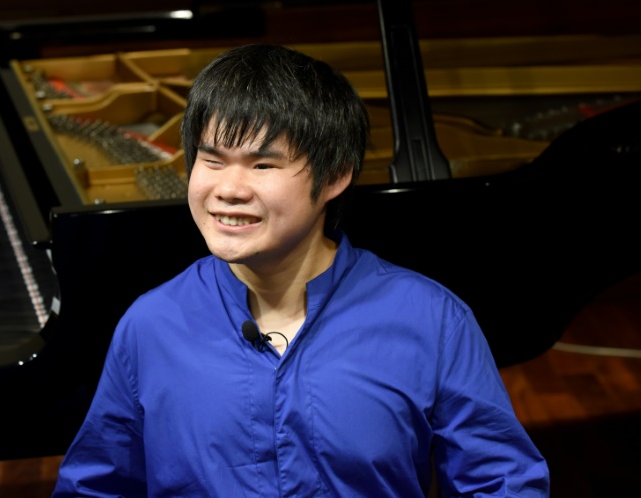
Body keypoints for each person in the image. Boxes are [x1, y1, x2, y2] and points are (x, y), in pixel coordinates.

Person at [53, 43, 549, 497]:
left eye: (262, 166)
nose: (228, 190)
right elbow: (95, 488)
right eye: (212, 161)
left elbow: (504, 483)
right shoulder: (150, 325)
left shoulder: (433, 319)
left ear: (335, 175)